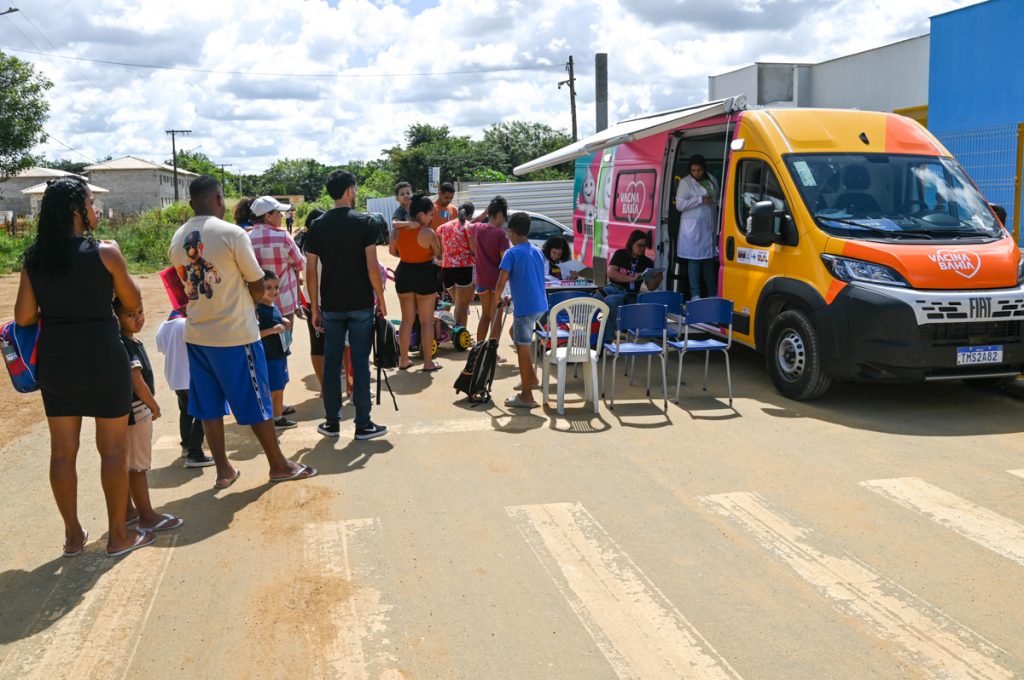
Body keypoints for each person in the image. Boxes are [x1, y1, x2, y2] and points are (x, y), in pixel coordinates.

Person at [15, 175, 155, 557]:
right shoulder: (106, 252)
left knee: (62, 452)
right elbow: (132, 301)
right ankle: (117, 537)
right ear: (78, 209)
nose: (95, 210)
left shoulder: (35, 258)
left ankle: (73, 536)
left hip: (58, 362)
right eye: (91, 203)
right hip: (102, 356)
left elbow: (24, 317)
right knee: (112, 450)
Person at [168, 175, 317, 487]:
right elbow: (256, 281)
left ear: (191, 202)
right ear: (220, 199)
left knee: (209, 406)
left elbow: (183, 286)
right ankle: (278, 464)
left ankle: (223, 470)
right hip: (235, 335)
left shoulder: (178, 237)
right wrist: (248, 308)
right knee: (258, 401)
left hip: (197, 335)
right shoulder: (231, 233)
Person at [304, 170, 389, 440]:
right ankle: (363, 424)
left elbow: (310, 270)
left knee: (331, 365)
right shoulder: (365, 222)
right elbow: (372, 266)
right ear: (350, 189)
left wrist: (315, 308)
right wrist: (381, 299)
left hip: (330, 305)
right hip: (361, 302)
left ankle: (331, 422)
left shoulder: (317, 225)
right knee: (360, 363)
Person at [115, 298, 185, 533]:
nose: (138, 319)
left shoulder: (122, 342)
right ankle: (147, 515)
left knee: (125, 464)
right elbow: (137, 382)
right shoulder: (127, 344)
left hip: (125, 412)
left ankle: (127, 511)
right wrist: (153, 405)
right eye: (130, 315)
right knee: (137, 467)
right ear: (117, 318)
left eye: (140, 312)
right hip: (138, 411)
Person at [492, 212, 547, 408]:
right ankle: (531, 379)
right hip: (540, 306)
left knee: (522, 347)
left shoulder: (511, 253)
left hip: (526, 309)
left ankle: (527, 396)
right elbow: (530, 279)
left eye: (508, 232)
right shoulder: (536, 250)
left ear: (513, 231)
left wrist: (497, 299)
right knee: (517, 338)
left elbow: (500, 283)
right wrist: (511, 297)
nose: (507, 235)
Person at [155, 306, 214, 468]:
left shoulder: (164, 326)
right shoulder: (187, 324)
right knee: (203, 414)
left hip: (175, 378)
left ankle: (187, 447)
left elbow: (161, 349)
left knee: (186, 413)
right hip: (191, 376)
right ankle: (195, 454)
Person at [390, 194, 443, 372]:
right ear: (421, 215)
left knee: (407, 320)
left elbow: (392, 251)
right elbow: (437, 253)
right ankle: (428, 362)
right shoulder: (428, 233)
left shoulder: (397, 230)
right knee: (426, 321)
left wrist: (407, 256)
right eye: (430, 214)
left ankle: (404, 360)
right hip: (425, 274)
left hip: (404, 272)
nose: (432, 218)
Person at [248, 196, 305, 320]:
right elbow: (301, 263)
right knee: (285, 339)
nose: (282, 216)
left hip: (257, 305)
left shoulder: (246, 238)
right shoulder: (283, 237)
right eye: (279, 213)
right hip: (284, 302)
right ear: (268, 216)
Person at [603, 229, 663, 343]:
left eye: (644, 246)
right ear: (631, 243)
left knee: (610, 302)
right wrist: (632, 278)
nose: (642, 249)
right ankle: (592, 337)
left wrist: (657, 281)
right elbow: (611, 274)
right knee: (593, 301)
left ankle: (607, 340)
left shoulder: (646, 262)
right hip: (613, 288)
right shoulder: (620, 254)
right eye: (639, 245)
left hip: (630, 294)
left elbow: (650, 287)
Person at [675, 154, 719, 300]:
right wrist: (699, 200)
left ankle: (712, 293)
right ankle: (695, 294)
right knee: (694, 261)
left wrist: (713, 202)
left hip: (709, 226)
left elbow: (717, 199)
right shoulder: (685, 183)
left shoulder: (711, 180)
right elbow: (680, 205)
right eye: (693, 170)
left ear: (704, 168)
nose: (696, 173)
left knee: (708, 261)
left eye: (699, 170)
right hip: (692, 230)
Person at [257, 270, 296, 429]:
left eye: (276, 287)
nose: (274, 291)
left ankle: (276, 413)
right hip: (270, 356)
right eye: (269, 287)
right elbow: (254, 334)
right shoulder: (259, 309)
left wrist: (283, 320)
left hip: (279, 354)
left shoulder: (271, 305)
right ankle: (276, 418)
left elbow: (276, 319)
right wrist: (272, 330)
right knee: (276, 388)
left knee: (280, 385)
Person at [472, 196, 511, 351]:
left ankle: (479, 349)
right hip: (497, 282)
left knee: (485, 315)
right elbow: (506, 261)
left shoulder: (478, 228)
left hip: (482, 280)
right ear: (501, 214)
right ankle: (492, 352)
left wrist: (483, 214)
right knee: (496, 317)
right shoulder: (501, 234)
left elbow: (469, 224)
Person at [436, 201, 476, 329]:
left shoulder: (443, 227)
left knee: (458, 305)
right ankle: (461, 334)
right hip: (463, 268)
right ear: (470, 214)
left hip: (446, 269)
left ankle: (455, 332)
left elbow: (441, 249)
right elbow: (473, 248)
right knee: (462, 307)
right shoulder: (468, 226)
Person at [299, 207, 327, 390]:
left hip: (311, 300)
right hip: (324, 301)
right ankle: (328, 387)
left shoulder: (302, 244)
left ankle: (325, 387)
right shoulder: (322, 245)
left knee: (317, 344)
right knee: (332, 344)